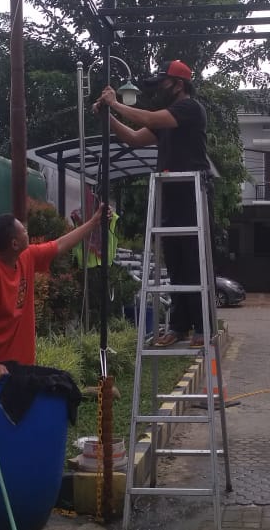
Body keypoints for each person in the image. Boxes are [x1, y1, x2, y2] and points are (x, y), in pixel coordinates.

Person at [0, 204, 105, 508]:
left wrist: (94, 223)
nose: (28, 234)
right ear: (13, 243)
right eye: (24, 231)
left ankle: (0, 487)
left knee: (6, 427)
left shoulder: (26, 258)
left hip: (8, 368)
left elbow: (60, 245)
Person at [93, 59, 211, 348]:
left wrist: (116, 103)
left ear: (178, 85)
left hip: (191, 190)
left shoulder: (189, 108)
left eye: (164, 83)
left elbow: (149, 119)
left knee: (193, 260)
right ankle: (180, 326)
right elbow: (134, 138)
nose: (160, 89)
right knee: (175, 261)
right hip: (171, 192)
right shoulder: (168, 119)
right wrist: (108, 115)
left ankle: (201, 325)